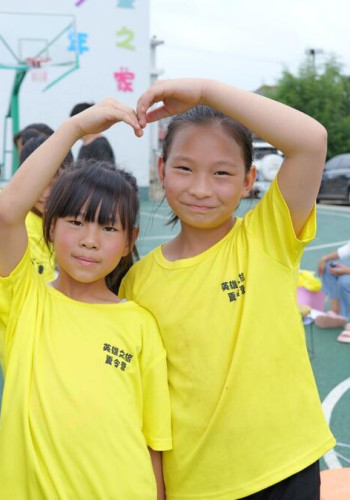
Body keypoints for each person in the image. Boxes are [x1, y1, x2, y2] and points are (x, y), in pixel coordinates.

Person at [119, 78, 335, 500]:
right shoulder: (137, 283)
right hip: (196, 483)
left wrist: (204, 91)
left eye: (221, 173)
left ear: (248, 180)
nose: (201, 188)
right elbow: (145, 401)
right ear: (162, 171)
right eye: (184, 168)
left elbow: (311, 140)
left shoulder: (268, 236)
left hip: (286, 468)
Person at [0, 99, 172, 500]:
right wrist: (74, 128)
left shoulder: (139, 323)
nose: (89, 240)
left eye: (108, 228)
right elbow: (7, 212)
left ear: (129, 240)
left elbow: (154, 441)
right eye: (75, 222)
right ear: (49, 226)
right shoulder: (25, 301)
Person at [19, 135, 74, 282]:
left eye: (54, 184)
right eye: (38, 183)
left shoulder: (71, 219)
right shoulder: (13, 220)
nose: (45, 194)